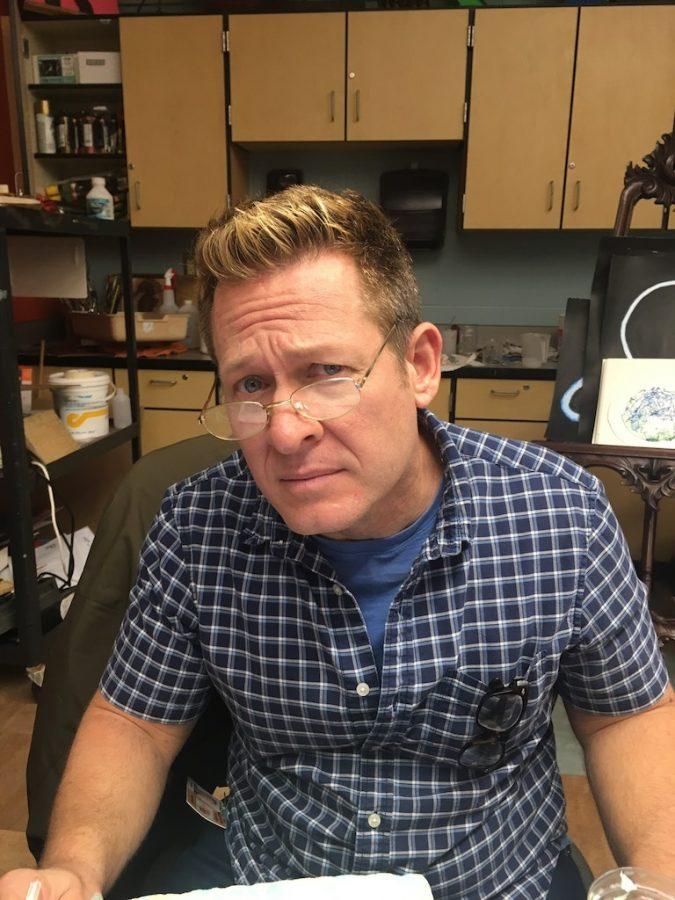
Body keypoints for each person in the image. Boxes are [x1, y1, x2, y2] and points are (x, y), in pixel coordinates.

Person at [2, 186, 673, 900]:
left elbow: (625, 719)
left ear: (419, 366)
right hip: (275, 876)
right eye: (251, 384)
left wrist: (659, 876)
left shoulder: (557, 514)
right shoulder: (194, 527)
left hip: (498, 880)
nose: (284, 431)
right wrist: (73, 868)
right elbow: (134, 725)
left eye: (325, 373)